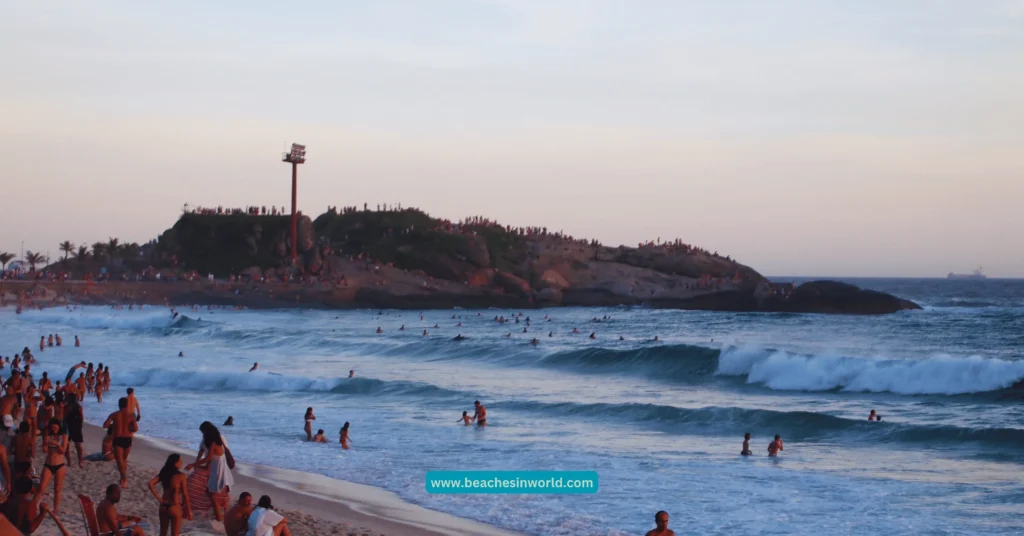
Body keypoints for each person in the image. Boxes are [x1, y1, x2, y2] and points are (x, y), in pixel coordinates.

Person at [187, 422, 234, 521]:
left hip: (218, 471)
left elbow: (208, 458)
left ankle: (219, 516)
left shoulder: (214, 443)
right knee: (212, 493)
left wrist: (194, 464)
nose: (202, 435)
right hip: (215, 469)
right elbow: (211, 458)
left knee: (212, 494)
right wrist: (201, 466)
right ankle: (219, 515)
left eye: (203, 432)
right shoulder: (215, 441)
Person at [148, 453, 193, 536]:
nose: (182, 463)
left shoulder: (163, 473)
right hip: (175, 506)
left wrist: (159, 499)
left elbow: (150, 483)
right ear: (175, 463)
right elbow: (185, 494)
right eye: (180, 461)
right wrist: (189, 510)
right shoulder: (181, 476)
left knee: (163, 533)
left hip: (163, 506)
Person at [103, 397, 139, 488]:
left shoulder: (114, 415)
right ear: (127, 405)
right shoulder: (131, 415)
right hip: (128, 439)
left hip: (118, 439)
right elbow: (135, 429)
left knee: (119, 461)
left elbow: (105, 425)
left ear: (119, 405)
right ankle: (122, 478)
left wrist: (114, 425)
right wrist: (128, 427)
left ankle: (124, 478)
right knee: (124, 459)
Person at [34, 419, 68, 513]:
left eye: (55, 427)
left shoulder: (63, 436)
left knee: (57, 488)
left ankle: (56, 509)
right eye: (52, 427)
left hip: (60, 465)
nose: (54, 429)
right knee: (41, 487)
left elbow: (63, 451)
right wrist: (45, 445)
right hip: (48, 464)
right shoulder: (48, 436)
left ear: (59, 426)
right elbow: (45, 449)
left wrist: (57, 444)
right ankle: (33, 506)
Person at [64, 395, 85, 467]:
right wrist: (80, 426)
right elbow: (82, 418)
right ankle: (80, 461)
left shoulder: (67, 407)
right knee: (78, 445)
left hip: (68, 426)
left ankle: (69, 462)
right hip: (77, 426)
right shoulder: (79, 407)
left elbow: (64, 417)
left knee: (66, 445)